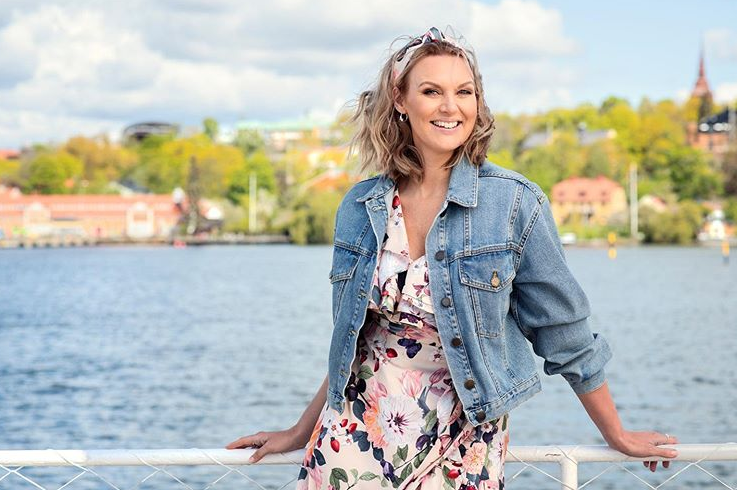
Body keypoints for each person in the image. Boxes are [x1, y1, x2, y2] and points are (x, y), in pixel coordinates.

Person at [227, 26, 678, 489]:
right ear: (401, 101)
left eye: (464, 92)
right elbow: (353, 342)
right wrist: (300, 431)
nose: (450, 106)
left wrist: (616, 433)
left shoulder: (514, 204)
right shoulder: (360, 207)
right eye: (431, 91)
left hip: (463, 440)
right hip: (353, 437)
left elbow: (564, 333)